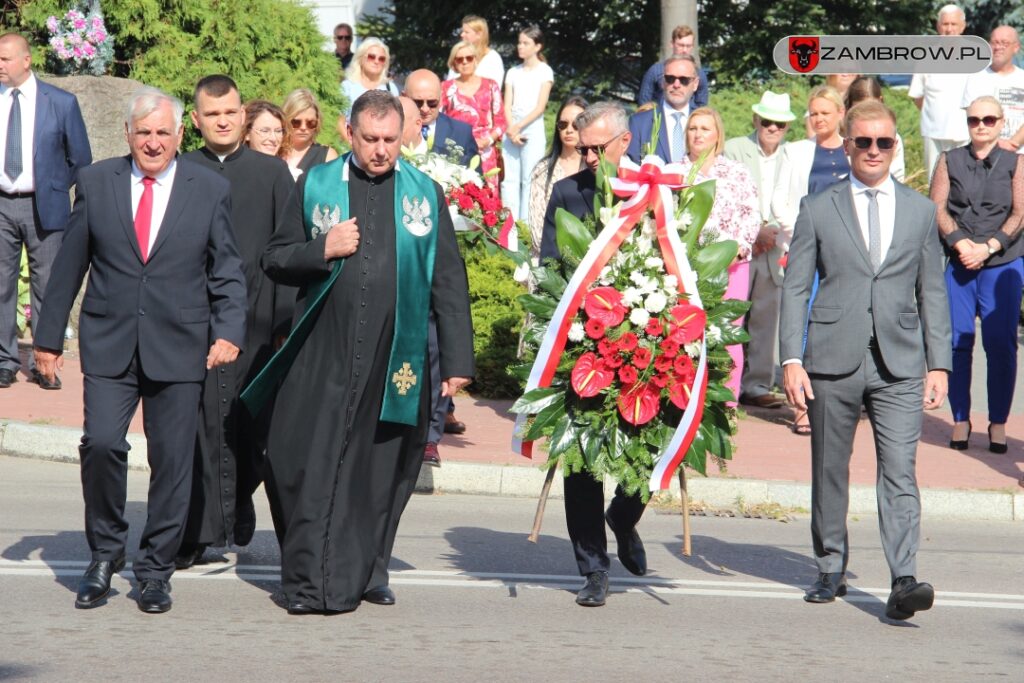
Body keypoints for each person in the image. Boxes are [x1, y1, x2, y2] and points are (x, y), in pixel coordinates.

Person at [242, 90, 474, 614]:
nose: (380, 151)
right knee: (298, 459)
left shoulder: (424, 192)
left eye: (391, 140)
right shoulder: (315, 184)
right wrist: (320, 249)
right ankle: (304, 580)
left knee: (381, 467)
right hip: (321, 350)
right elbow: (274, 259)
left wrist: (457, 361)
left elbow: (448, 282)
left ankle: (370, 569)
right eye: (370, 139)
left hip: (396, 356)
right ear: (350, 134)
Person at [32, 87, 247, 613]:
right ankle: (105, 555)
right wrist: (47, 338)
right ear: (128, 134)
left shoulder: (209, 188)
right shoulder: (98, 182)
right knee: (103, 444)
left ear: (180, 136)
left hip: (180, 345)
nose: (153, 142)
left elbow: (227, 271)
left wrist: (229, 330)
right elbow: (68, 267)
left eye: (163, 132)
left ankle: (155, 570)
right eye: (143, 132)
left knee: (173, 462)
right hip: (110, 342)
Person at [780, 100, 951, 621]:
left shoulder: (921, 211)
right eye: (864, 141)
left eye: (884, 142)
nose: (874, 150)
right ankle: (830, 565)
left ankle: (903, 579)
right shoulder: (818, 206)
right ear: (848, 145)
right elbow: (794, 288)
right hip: (833, 357)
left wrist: (938, 363)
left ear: (894, 146)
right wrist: (791, 357)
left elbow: (933, 292)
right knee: (830, 469)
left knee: (900, 470)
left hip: (900, 363)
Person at [175, 75, 295, 567]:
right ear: (196, 119)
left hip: (259, 320)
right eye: (212, 113)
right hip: (196, 322)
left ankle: (240, 496)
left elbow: (287, 250)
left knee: (252, 430)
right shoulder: (181, 169)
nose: (222, 121)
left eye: (230, 112)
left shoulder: (271, 174)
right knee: (201, 430)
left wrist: (283, 320)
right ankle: (197, 533)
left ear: (242, 114)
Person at [539, 102, 646, 607]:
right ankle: (594, 568)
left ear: (623, 143)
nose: (587, 158)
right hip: (584, 342)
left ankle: (624, 516)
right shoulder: (567, 192)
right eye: (582, 149)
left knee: (650, 449)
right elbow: (548, 265)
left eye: (596, 149)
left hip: (645, 340)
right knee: (581, 461)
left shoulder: (655, 192)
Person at [931, 96, 1024, 454]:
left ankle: (998, 422)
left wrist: (989, 247)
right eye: (974, 120)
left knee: (1000, 344)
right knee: (958, 342)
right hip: (960, 260)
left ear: (1002, 123)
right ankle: (960, 419)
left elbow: (1019, 213)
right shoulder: (949, 159)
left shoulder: (1016, 163)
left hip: (1003, 263)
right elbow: (937, 206)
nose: (981, 125)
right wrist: (959, 242)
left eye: (988, 119)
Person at [0, 32, 91, 390]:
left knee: (49, 286)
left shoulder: (61, 102)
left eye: (5, 58)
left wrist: (55, 187)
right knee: (1, 285)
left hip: (45, 204)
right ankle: (5, 360)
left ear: (27, 60)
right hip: (2, 203)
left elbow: (80, 159)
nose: (0, 64)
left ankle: (45, 360)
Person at [772, 85, 849, 435]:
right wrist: (804, 235)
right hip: (806, 249)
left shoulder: (854, 150)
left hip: (846, 254)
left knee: (839, 327)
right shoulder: (796, 151)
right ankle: (801, 406)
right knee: (801, 328)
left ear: (840, 115)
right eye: (814, 113)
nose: (818, 119)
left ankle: (838, 401)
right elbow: (780, 202)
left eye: (825, 113)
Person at [680, 107, 760, 405]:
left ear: (717, 136)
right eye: (693, 128)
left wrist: (739, 247)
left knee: (727, 332)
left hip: (731, 266)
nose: (698, 134)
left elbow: (751, 213)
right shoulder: (674, 171)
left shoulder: (736, 171)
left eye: (705, 129)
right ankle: (686, 398)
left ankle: (726, 399)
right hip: (686, 267)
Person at [724, 91, 796, 409]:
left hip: (774, 246)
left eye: (778, 123)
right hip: (740, 245)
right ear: (755, 120)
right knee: (732, 315)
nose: (772, 128)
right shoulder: (735, 148)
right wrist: (755, 233)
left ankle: (757, 385)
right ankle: (725, 383)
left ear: (786, 127)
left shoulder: (793, 156)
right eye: (766, 121)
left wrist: (772, 235)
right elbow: (730, 196)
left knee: (766, 317)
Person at [909, 4, 971, 180]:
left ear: (962, 27)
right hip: (933, 133)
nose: (949, 29)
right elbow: (918, 96)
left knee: (965, 184)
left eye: (953, 24)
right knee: (935, 183)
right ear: (938, 27)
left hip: (966, 133)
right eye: (945, 24)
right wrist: (935, 115)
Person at [501, 25, 553, 221]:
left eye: (525, 43)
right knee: (510, 180)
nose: (520, 47)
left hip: (531, 127)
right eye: (519, 42)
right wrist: (511, 128)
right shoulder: (513, 72)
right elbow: (507, 104)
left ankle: (527, 225)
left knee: (529, 179)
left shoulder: (545, 71)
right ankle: (508, 224)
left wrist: (518, 126)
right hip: (512, 127)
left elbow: (540, 107)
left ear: (537, 46)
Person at [526, 95, 587, 258]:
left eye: (576, 124)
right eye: (563, 124)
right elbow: (537, 229)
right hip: (549, 259)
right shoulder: (542, 170)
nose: (569, 130)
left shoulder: (596, 168)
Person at [441, 40, 506, 188]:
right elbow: (440, 121)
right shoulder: (445, 88)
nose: (465, 62)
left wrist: (487, 140)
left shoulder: (491, 85)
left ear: (475, 60)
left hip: (486, 152)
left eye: (469, 58)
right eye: (459, 59)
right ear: (454, 63)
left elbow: (501, 123)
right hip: (457, 152)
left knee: (489, 200)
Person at [627, 55, 701, 164]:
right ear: (662, 82)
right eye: (670, 79)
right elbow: (631, 167)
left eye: (684, 80)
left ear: (695, 84)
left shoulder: (706, 122)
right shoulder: (639, 123)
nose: (676, 85)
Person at [962, 26, 1024, 153]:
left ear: (1016, 47)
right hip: (984, 153)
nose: (998, 47)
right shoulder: (976, 78)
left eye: (1004, 43)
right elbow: (972, 117)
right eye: (994, 42)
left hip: (1019, 153)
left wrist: (1013, 144)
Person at [405, 69, 477, 167]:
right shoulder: (393, 130)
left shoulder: (462, 133)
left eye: (432, 103)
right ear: (404, 96)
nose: (425, 109)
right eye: (418, 102)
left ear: (441, 98)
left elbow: (476, 179)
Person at [844, 77, 905, 181]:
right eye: (860, 110)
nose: (867, 115)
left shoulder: (890, 139)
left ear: (880, 101)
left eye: (872, 107)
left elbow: (897, 177)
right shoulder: (838, 137)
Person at [338, 38, 399, 141]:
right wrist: (352, 145)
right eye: (371, 57)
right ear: (360, 58)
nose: (376, 61)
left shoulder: (390, 88)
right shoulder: (347, 87)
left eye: (381, 59)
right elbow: (339, 122)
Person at [636, 25, 710, 109]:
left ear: (692, 46)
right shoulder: (655, 71)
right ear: (672, 44)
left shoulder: (699, 74)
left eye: (688, 46)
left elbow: (702, 107)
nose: (685, 50)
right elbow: (644, 104)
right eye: (681, 45)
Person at [281, 88, 338, 179]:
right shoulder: (274, 150)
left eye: (310, 123)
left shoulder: (326, 156)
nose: (303, 128)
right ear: (286, 120)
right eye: (296, 122)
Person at [447, 15, 504, 87]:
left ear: (479, 34)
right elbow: (449, 83)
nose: (462, 35)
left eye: (466, 32)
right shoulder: (459, 54)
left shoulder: (492, 59)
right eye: (462, 31)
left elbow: (493, 89)